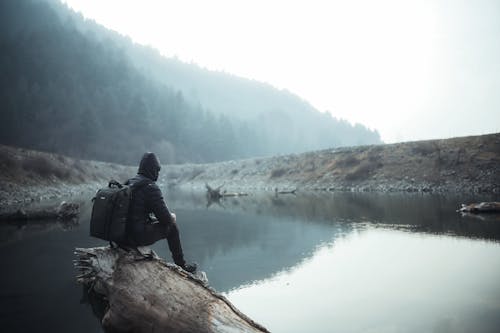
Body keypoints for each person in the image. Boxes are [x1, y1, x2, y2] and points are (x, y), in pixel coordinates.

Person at [124, 152, 197, 273]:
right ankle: (182, 265)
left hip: (123, 235)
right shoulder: (150, 187)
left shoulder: (129, 182)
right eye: (157, 170)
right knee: (172, 228)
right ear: (152, 169)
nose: (158, 173)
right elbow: (166, 219)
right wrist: (172, 216)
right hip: (136, 237)